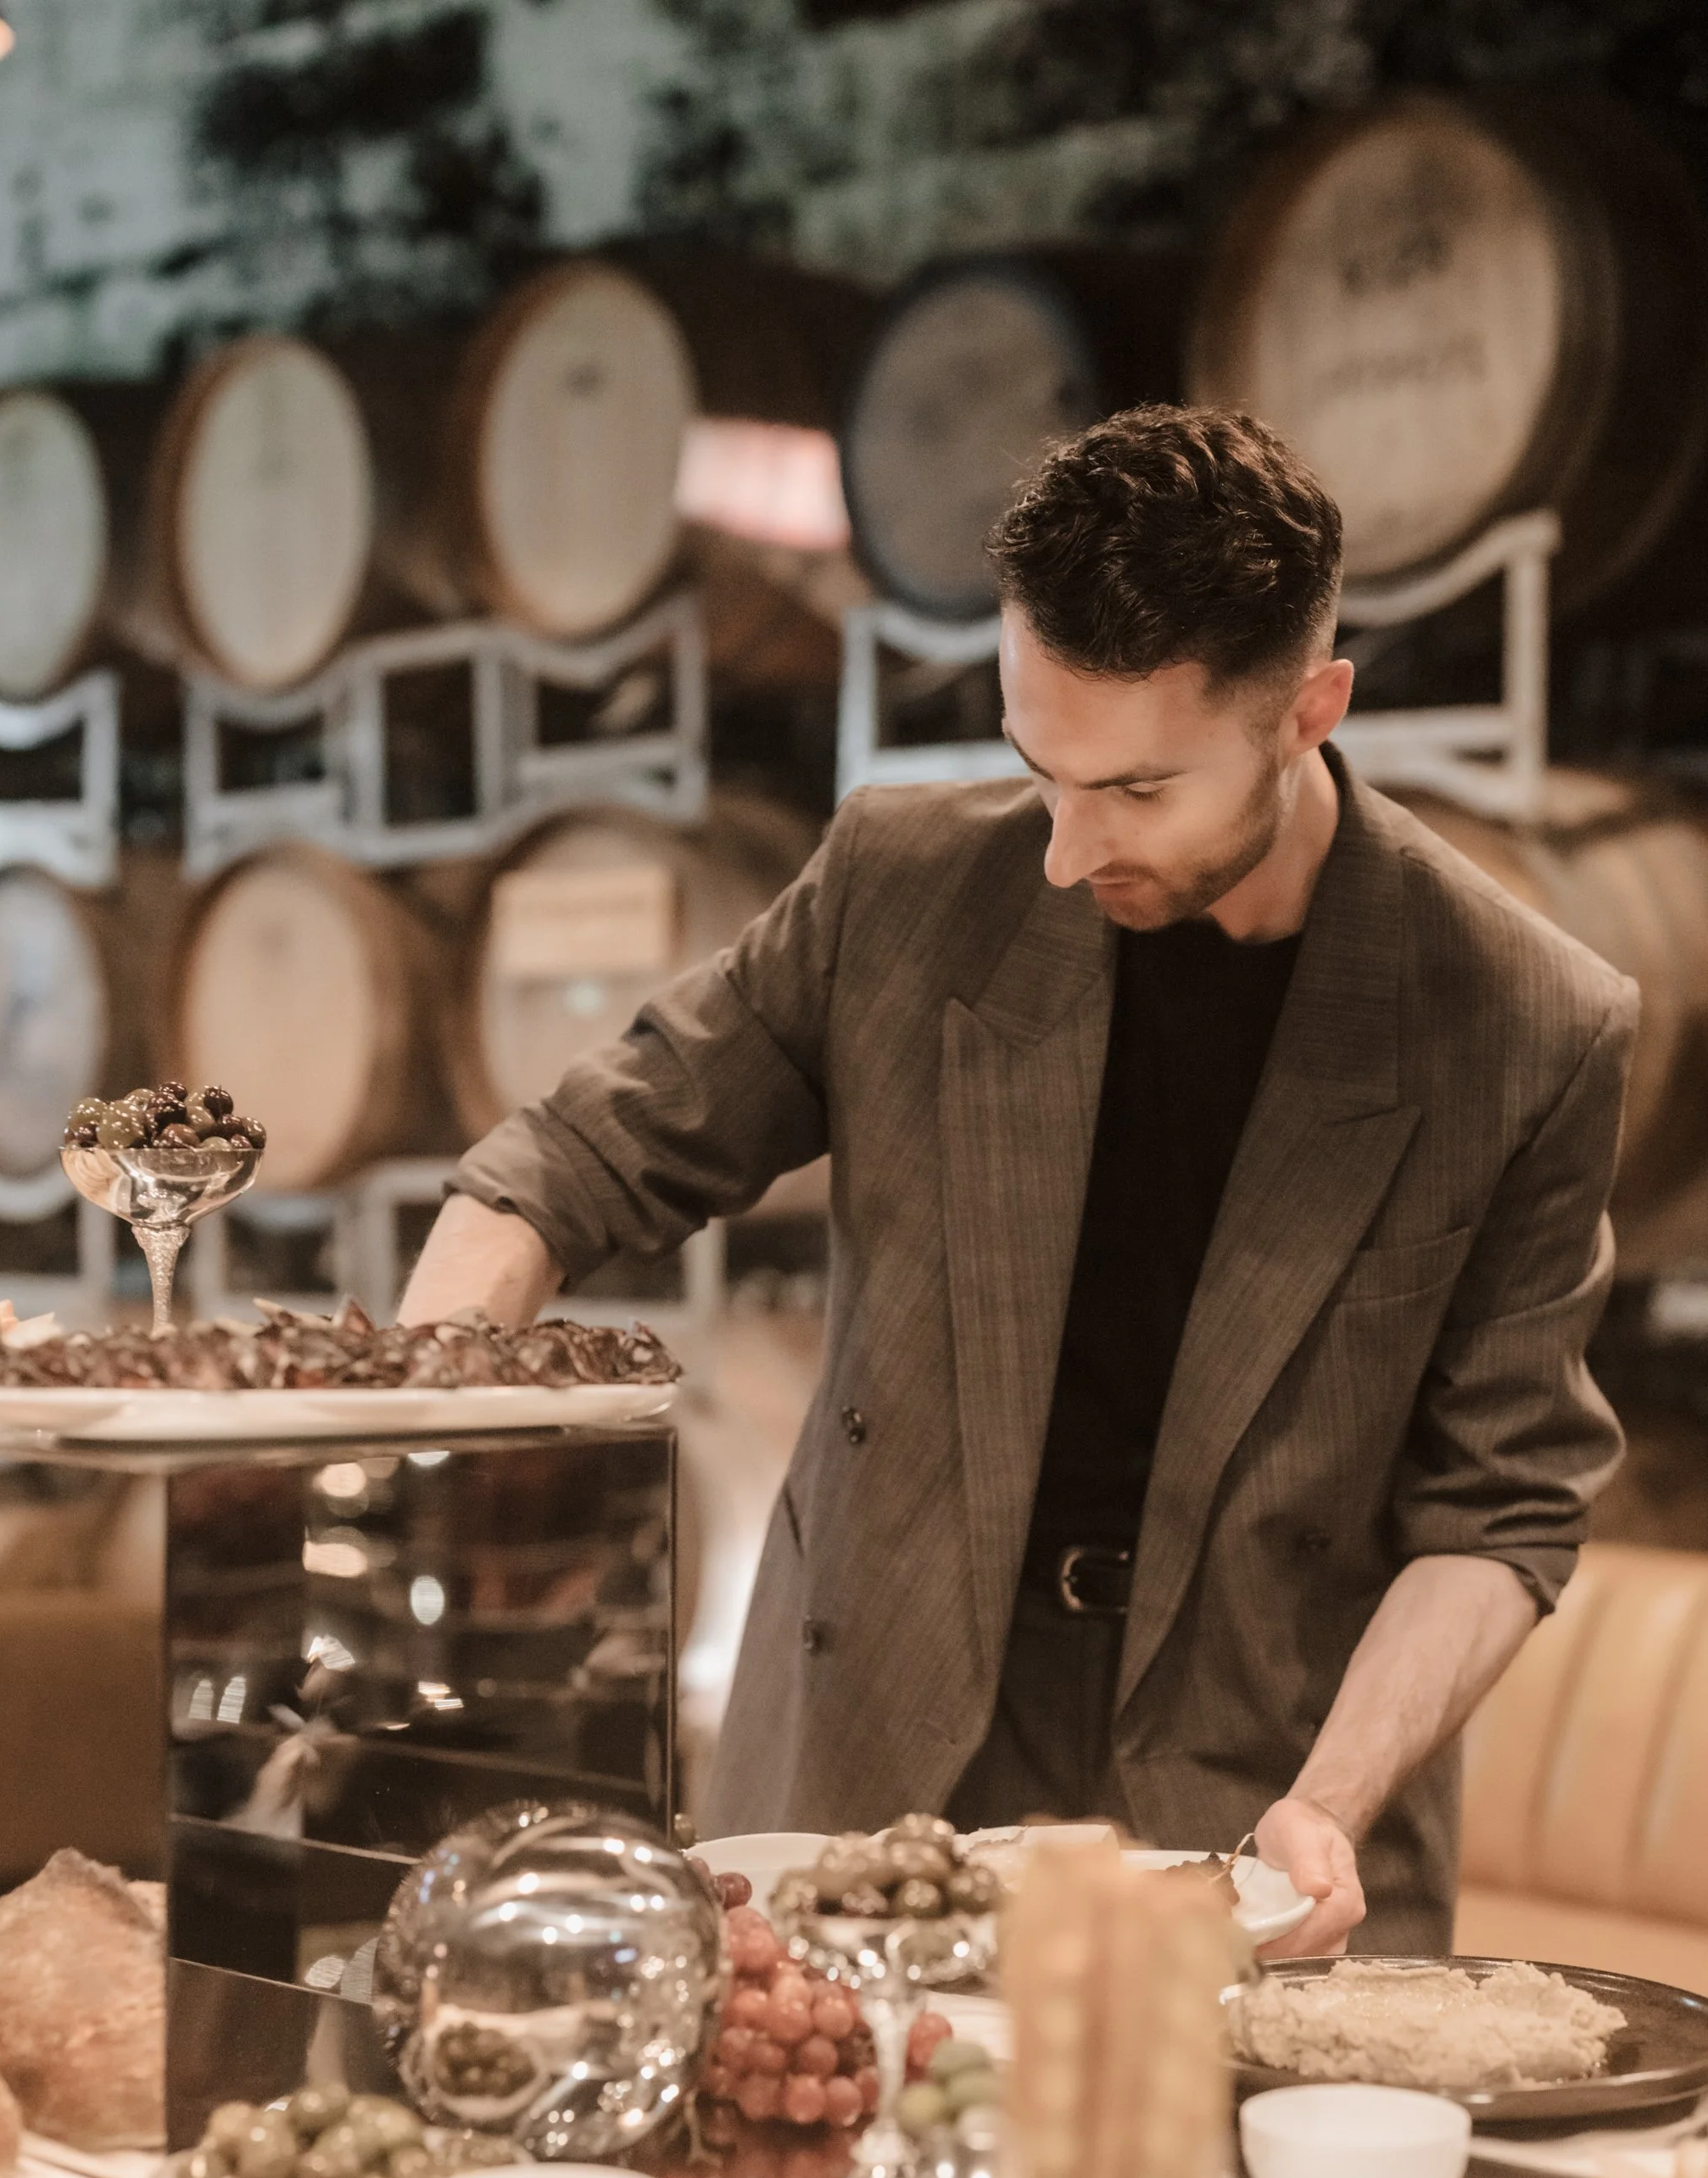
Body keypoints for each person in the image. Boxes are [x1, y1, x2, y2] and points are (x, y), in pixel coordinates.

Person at [401, 406, 1633, 1959]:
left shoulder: (1523, 1022)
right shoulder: (901, 890)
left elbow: (1501, 1509)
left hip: (1256, 1784)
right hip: (872, 1743)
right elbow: (575, 1162)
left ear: (1310, 709)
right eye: (1038, 768)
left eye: (1134, 793)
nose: (1064, 850)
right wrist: (419, 1405)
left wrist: (1332, 1797)